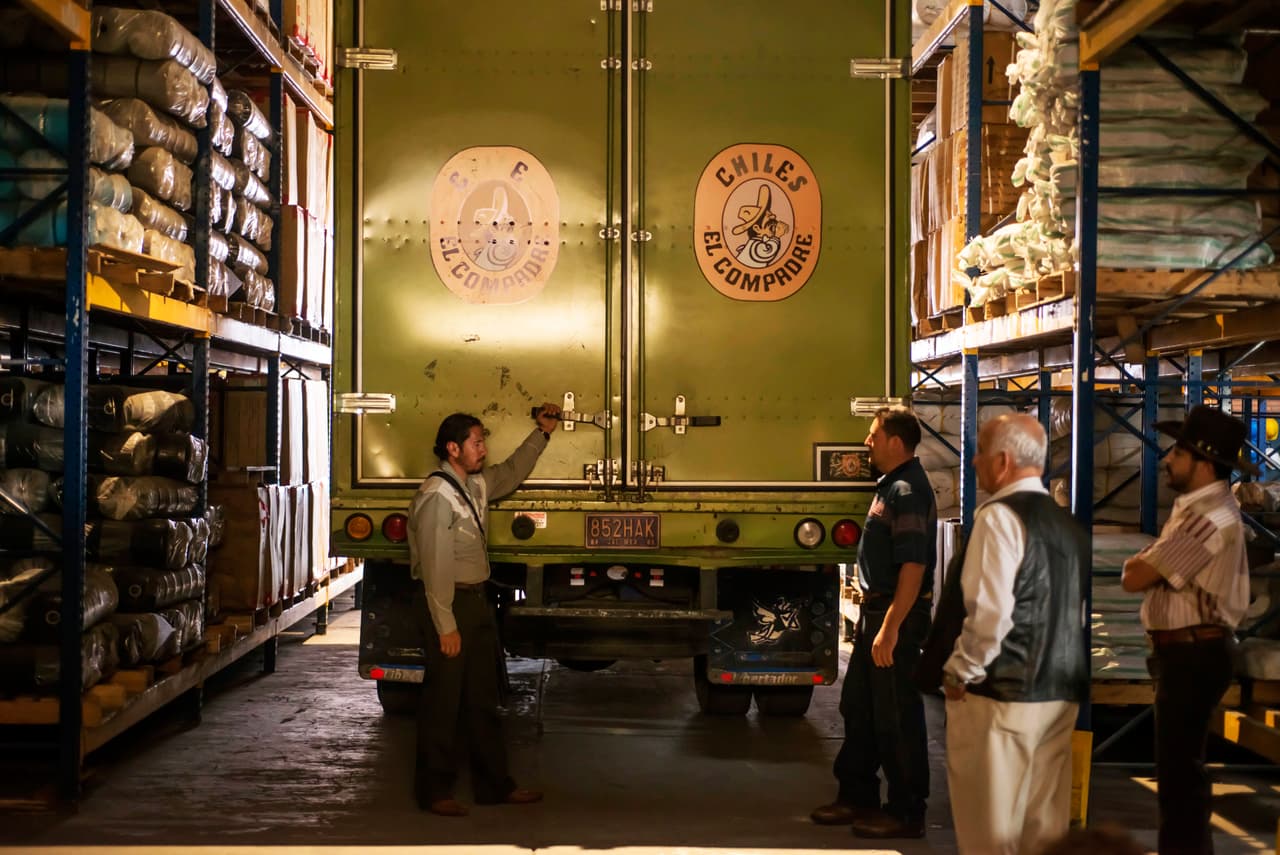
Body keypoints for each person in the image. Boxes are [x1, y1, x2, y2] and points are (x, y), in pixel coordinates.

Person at [931, 414, 1088, 855]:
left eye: (979, 451)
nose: (974, 460)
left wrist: (959, 671)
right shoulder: (1068, 525)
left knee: (991, 834)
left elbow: (991, 613)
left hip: (1002, 697)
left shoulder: (999, 517)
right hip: (1059, 695)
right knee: (1042, 833)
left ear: (1002, 461)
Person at [408, 404, 561, 817]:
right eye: (478, 443)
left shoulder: (472, 485)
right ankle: (434, 790)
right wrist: (446, 626)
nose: (484, 450)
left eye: (484, 442)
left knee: (483, 699)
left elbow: (511, 472)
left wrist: (541, 434)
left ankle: (494, 786)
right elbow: (436, 567)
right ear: (454, 448)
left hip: (474, 602)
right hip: (449, 604)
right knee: (444, 702)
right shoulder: (437, 496)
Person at [1121, 405, 1253, 855]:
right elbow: (1144, 569)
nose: (1167, 459)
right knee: (1178, 772)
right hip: (1186, 653)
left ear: (1204, 461)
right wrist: (1146, 563)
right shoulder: (1196, 510)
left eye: (1177, 451)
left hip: (1193, 654)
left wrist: (1144, 564)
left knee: (1180, 776)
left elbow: (1134, 577)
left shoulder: (1207, 519)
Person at [811, 405, 936, 839]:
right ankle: (856, 796)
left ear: (895, 442)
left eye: (873, 436)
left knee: (896, 714)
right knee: (859, 707)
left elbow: (914, 567)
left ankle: (906, 811)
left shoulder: (909, 492)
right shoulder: (890, 487)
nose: (867, 443)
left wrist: (891, 627)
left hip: (894, 614)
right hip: (876, 611)